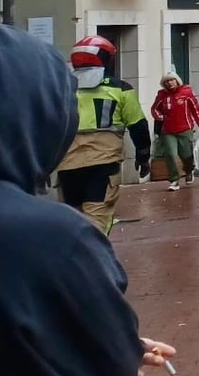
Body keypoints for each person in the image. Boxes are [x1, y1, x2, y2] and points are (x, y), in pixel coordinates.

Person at [0, 21, 178, 376]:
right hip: (99, 169)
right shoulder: (50, 238)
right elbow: (111, 374)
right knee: (95, 218)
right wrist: (111, 339)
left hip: (71, 171)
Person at [56, 36, 151, 235]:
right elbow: (138, 125)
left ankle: (72, 262)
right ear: (106, 59)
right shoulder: (120, 89)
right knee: (97, 221)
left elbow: (46, 127)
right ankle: (92, 262)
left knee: (70, 221)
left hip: (67, 167)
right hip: (102, 166)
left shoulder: (61, 90)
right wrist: (143, 156)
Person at [149, 74, 199, 191]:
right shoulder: (162, 95)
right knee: (170, 154)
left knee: (186, 155)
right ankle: (174, 180)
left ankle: (189, 170)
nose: (169, 83)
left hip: (185, 129)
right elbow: (154, 109)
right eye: (167, 81)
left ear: (177, 81)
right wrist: (161, 118)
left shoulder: (186, 93)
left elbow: (196, 110)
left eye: (172, 80)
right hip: (168, 130)